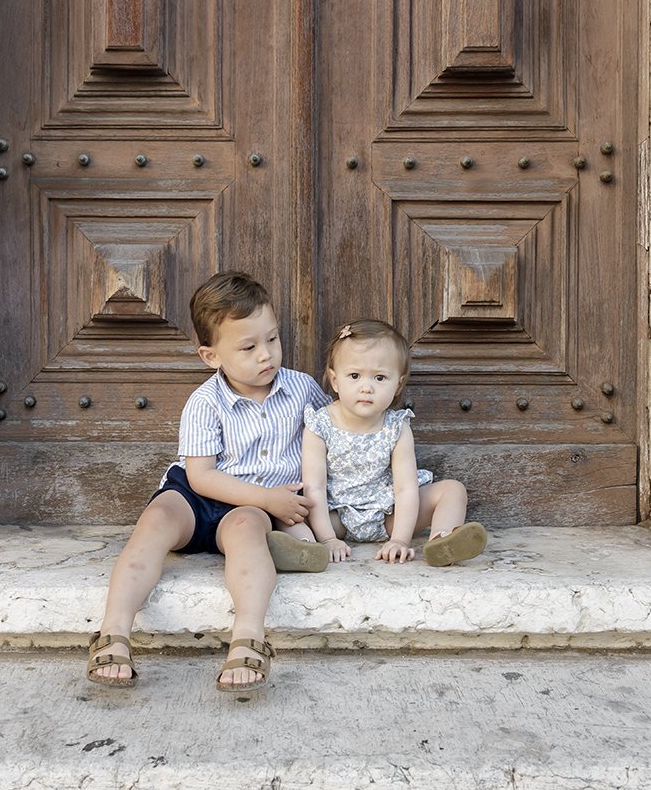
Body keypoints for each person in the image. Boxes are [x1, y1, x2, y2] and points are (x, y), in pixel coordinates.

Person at [86, 271, 331, 692]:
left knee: (247, 529)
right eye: (249, 347)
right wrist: (271, 501)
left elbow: (332, 434)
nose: (266, 355)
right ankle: (114, 631)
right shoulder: (204, 402)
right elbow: (201, 476)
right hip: (200, 493)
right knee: (155, 521)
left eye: (272, 339)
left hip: (252, 506)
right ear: (210, 356)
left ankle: (248, 637)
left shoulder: (302, 389)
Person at [301, 319, 487, 566]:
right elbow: (315, 487)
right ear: (335, 381)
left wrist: (400, 539)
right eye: (354, 376)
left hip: (390, 514)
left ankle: (442, 541)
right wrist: (327, 539)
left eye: (379, 378)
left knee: (453, 490)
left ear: (398, 385)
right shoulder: (320, 424)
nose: (366, 387)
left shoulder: (397, 427)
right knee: (290, 510)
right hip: (337, 517)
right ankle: (304, 546)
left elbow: (405, 488)